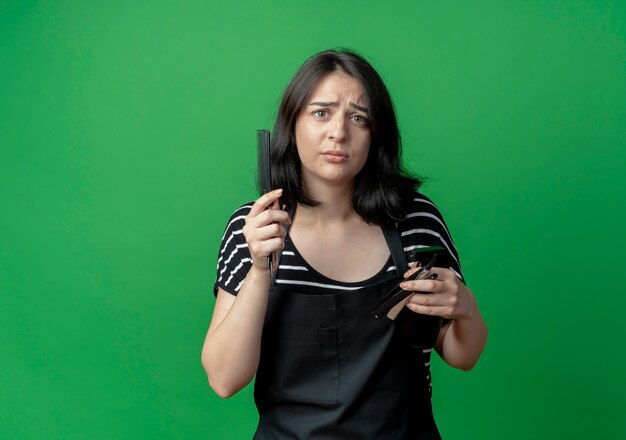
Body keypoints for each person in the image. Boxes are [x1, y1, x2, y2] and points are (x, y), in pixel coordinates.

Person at [201, 49, 488, 439]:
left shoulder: (415, 219)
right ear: (293, 122)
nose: (339, 132)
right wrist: (259, 270)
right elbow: (223, 379)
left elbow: (462, 355)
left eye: (358, 118)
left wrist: (466, 308)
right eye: (321, 113)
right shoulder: (252, 228)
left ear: (377, 134)